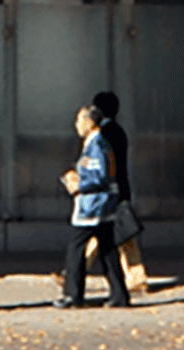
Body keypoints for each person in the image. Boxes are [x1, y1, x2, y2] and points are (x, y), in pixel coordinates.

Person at [56, 102, 131, 309]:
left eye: (79, 120)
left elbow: (100, 175)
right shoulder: (97, 143)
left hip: (93, 206)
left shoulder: (97, 145)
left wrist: (79, 184)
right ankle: (119, 294)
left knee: (76, 248)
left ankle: (73, 294)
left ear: (90, 122)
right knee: (108, 250)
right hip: (103, 205)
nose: (76, 125)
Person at [91, 89, 147, 294]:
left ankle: (73, 273)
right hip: (120, 188)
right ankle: (137, 276)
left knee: (101, 232)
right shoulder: (117, 130)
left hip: (111, 190)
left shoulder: (104, 133)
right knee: (123, 235)